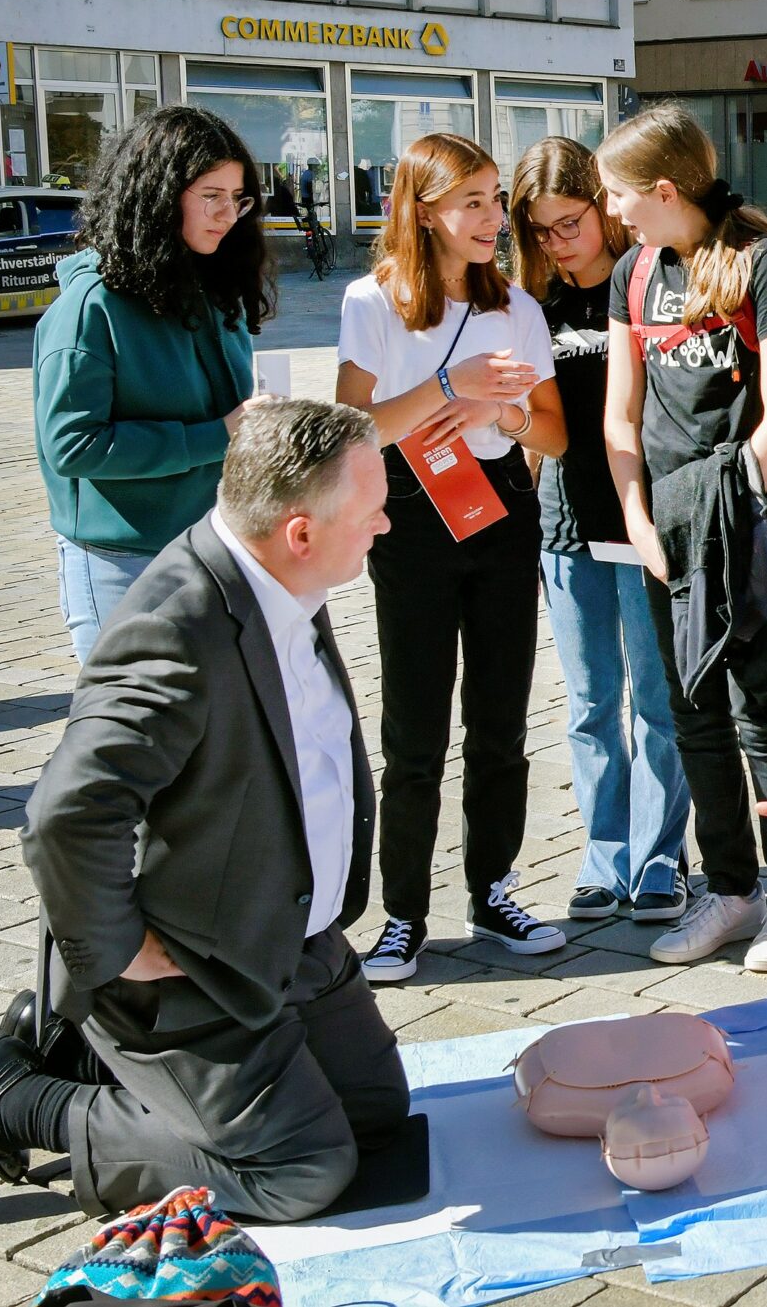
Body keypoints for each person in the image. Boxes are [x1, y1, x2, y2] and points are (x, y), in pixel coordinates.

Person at [0, 400, 406, 1221]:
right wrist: (116, 952)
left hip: (285, 937)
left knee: (375, 1118)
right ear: (298, 531)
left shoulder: (280, 571)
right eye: (370, 512)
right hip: (193, 971)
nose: (386, 525)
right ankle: (17, 1102)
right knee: (304, 1168)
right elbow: (66, 815)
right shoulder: (177, 629)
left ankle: (70, 1050)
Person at [597, 104, 767, 972]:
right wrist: (638, 519)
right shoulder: (633, 271)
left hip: (750, 526)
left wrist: (723, 514)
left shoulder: (763, 262)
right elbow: (620, 418)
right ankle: (732, 886)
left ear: (665, 190)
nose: (614, 213)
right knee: (691, 712)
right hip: (665, 529)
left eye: (621, 195)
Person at [336, 133, 567, 984]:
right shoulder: (372, 300)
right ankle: (401, 914)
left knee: (501, 718)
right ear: (424, 209)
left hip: (500, 507)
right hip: (408, 515)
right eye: (472, 200)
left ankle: (494, 888)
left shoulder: (518, 308)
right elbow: (353, 429)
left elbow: (554, 431)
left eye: (496, 198)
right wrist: (449, 387)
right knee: (415, 728)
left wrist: (504, 418)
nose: (492, 217)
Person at [508, 138, 693, 926]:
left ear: (603, 207)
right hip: (566, 524)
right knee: (589, 703)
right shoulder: (530, 304)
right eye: (542, 229)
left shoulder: (644, 285)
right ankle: (602, 856)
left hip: (642, 521)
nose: (558, 240)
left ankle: (659, 857)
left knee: (656, 699)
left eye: (570, 221)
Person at [35, 107, 276, 663]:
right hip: (123, 562)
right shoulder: (91, 307)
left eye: (238, 198)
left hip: (216, 546)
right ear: (160, 193)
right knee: (137, 743)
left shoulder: (215, 287)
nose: (227, 214)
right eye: (210, 194)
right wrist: (218, 434)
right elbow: (73, 446)